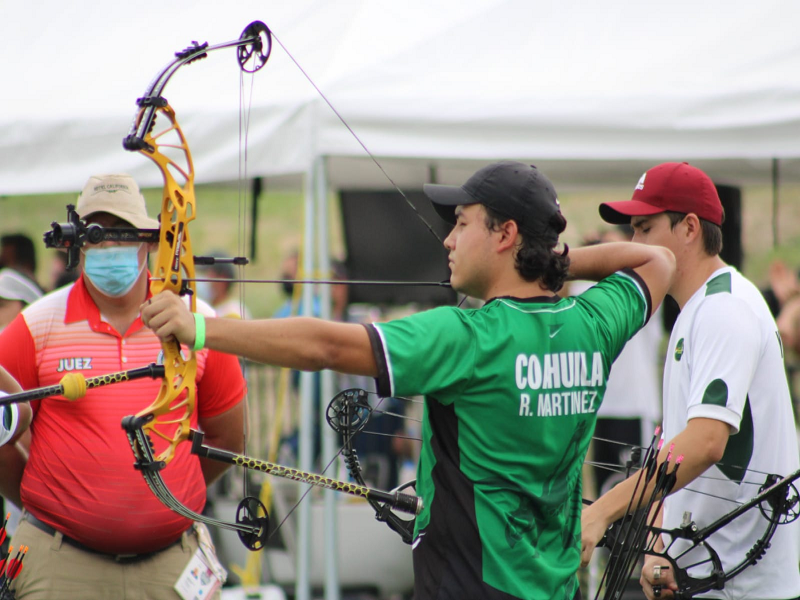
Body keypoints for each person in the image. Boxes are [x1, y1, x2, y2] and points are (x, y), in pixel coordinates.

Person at [143, 160, 675, 600]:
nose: (448, 239)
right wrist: (546, 263)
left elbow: (327, 346)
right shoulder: (592, 324)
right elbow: (657, 259)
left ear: (505, 234)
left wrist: (201, 328)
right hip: (557, 588)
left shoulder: (470, 336)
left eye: (463, 223)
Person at [0, 174, 246, 600]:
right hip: (60, 563)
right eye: (95, 235)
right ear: (75, 244)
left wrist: (164, 501)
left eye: (123, 233)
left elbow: (228, 439)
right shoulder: (36, 325)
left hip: (171, 562)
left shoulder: (198, 323)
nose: (109, 248)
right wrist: (39, 496)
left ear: (151, 242)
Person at [580, 162, 800, 600]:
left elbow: (704, 442)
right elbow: (676, 445)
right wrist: (659, 544)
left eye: (644, 228)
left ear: (690, 228)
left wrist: (601, 511)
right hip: (710, 578)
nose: (633, 244)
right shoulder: (698, 307)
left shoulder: (724, 308)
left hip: (743, 588)